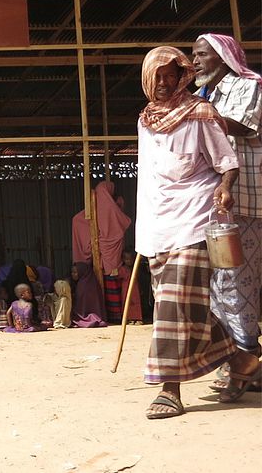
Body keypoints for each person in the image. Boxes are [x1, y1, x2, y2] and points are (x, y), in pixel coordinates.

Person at [135, 47, 260, 419]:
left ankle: (168, 389)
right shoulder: (144, 120)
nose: (163, 83)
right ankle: (242, 358)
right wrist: (144, 231)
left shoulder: (200, 113)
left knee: (172, 304)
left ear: (181, 78)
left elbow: (227, 162)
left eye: (170, 75)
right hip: (158, 225)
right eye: (157, 76)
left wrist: (225, 188)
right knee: (188, 307)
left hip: (195, 219)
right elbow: (150, 180)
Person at [192, 33, 262, 392]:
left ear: (222, 57)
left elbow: (244, 126)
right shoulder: (205, 96)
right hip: (219, 203)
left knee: (236, 282)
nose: (195, 62)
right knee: (222, 283)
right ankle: (246, 362)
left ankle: (245, 357)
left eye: (202, 55)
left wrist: (197, 113)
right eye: (194, 55)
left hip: (248, 198)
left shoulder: (247, 86)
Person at [71, 181, 132, 322]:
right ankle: (114, 316)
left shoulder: (104, 206)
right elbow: (122, 222)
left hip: (105, 254)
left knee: (110, 286)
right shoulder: (106, 206)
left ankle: (114, 315)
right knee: (110, 286)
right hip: (109, 256)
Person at [71, 262, 107, 328]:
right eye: (72, 272)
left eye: (75, 272)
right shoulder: (93, 281)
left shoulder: (82, 285)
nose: (72, 274)